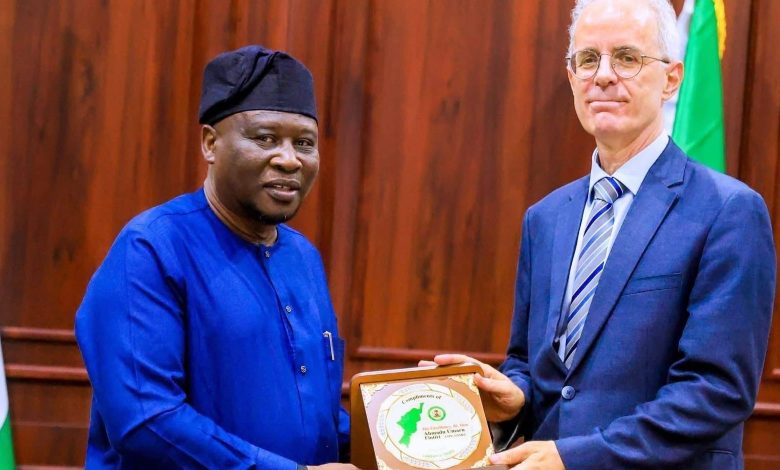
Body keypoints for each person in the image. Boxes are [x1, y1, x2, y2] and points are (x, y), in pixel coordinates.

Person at [425, 0, 776, 468]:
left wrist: (578, 457)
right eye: (588, 59)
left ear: (672, 78)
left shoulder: (728, 211)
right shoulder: (545, 218)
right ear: (572, 78)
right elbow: (532, 364)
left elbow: (716, 391)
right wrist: (517, 396)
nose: (604, 75)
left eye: (627, 58)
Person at [75, 45, 355, 470]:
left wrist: (432, 436)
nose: (288, 159)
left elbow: (314, 411)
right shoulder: (151, 248)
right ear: (210, 143)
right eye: (265, 138)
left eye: (304, 143)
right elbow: (146, 420)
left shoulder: (303, 258)